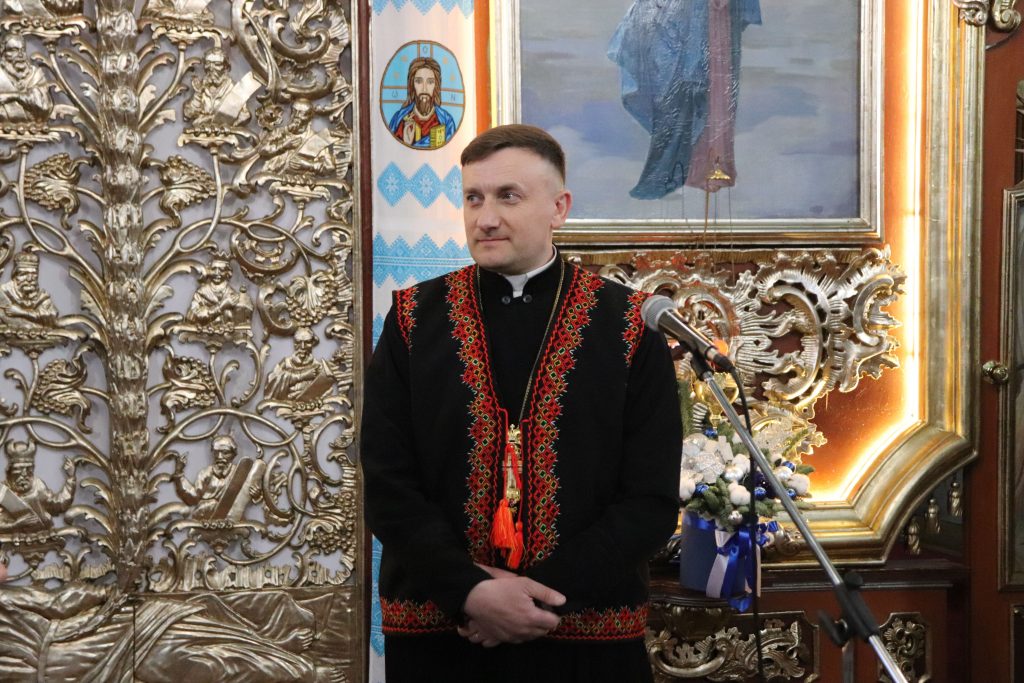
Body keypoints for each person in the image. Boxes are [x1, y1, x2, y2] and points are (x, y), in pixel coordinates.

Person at [361, 124, 682, 682]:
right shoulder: (412, 320)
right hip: (443, 634)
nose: (485, 218)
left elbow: (649, 501)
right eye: (473, 198)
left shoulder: (631, 327)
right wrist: (470, 592)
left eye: (508, 196)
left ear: (559, 208)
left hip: (585, 637)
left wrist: (536, 599)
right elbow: (388, 484)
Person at [608, 0, 761, 198]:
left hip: (714, 18)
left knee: (716, 87)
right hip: (688, 19)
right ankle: (692, 166)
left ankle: (714, 164)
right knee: (683, 87)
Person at [0, 440, 76, 534]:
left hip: (43, 538)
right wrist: (16, 525)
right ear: (10, 471)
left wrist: (71, 478)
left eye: (28, 469)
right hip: (11, 541)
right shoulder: (2, 491)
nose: (24, 474)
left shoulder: (38, 485)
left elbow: (58, 505)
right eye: (19, 469)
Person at [387, 56, 457, 149]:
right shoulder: (399, 120)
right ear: (412, 85)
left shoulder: (447, 122)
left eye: (430, 82)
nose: (424, 89)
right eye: (419, 81)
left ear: (436, 86)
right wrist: (406, 143)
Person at [0, 33, 54, 126]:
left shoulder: (35, 74)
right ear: (3, 53)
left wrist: (14, 96)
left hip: (35, 130)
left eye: (22, 50)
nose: (20, 55)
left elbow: (43, 106)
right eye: (14, 50)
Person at [0, 249, 59, 330]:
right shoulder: (4, 293)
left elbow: (51, 316)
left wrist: (21, 312)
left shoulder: (41, 296)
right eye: (24, 274)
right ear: (15, 276)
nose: (29, 279)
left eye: (33, 274)